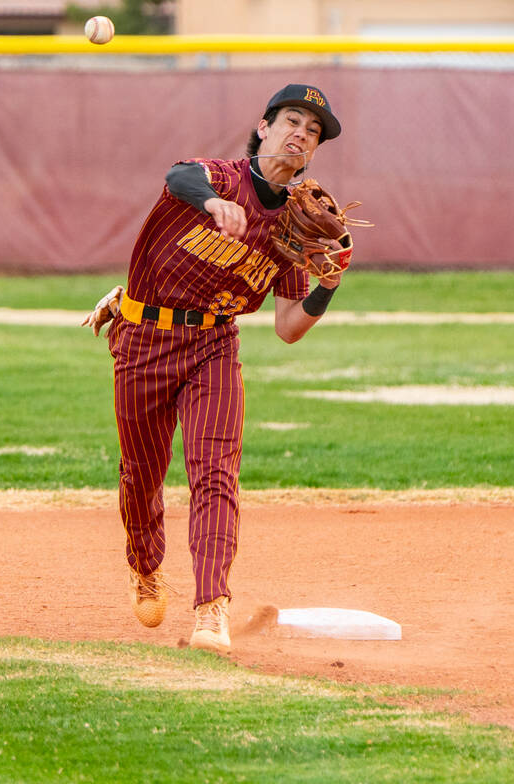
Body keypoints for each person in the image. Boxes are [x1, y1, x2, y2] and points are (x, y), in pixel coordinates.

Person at [81, 84, 349, 655]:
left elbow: (288, 326)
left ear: (314, 151)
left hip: (214, 347)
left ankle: (211, 609)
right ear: (263, 127)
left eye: (313, 132)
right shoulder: (218, 178)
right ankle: (146, 565)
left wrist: (328, 284)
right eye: (292, 121)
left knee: (215, 474)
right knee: (142, 474)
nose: (300, 133)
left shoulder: (296, 228)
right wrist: (210, 202)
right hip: (145, 337)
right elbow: (178, 176)